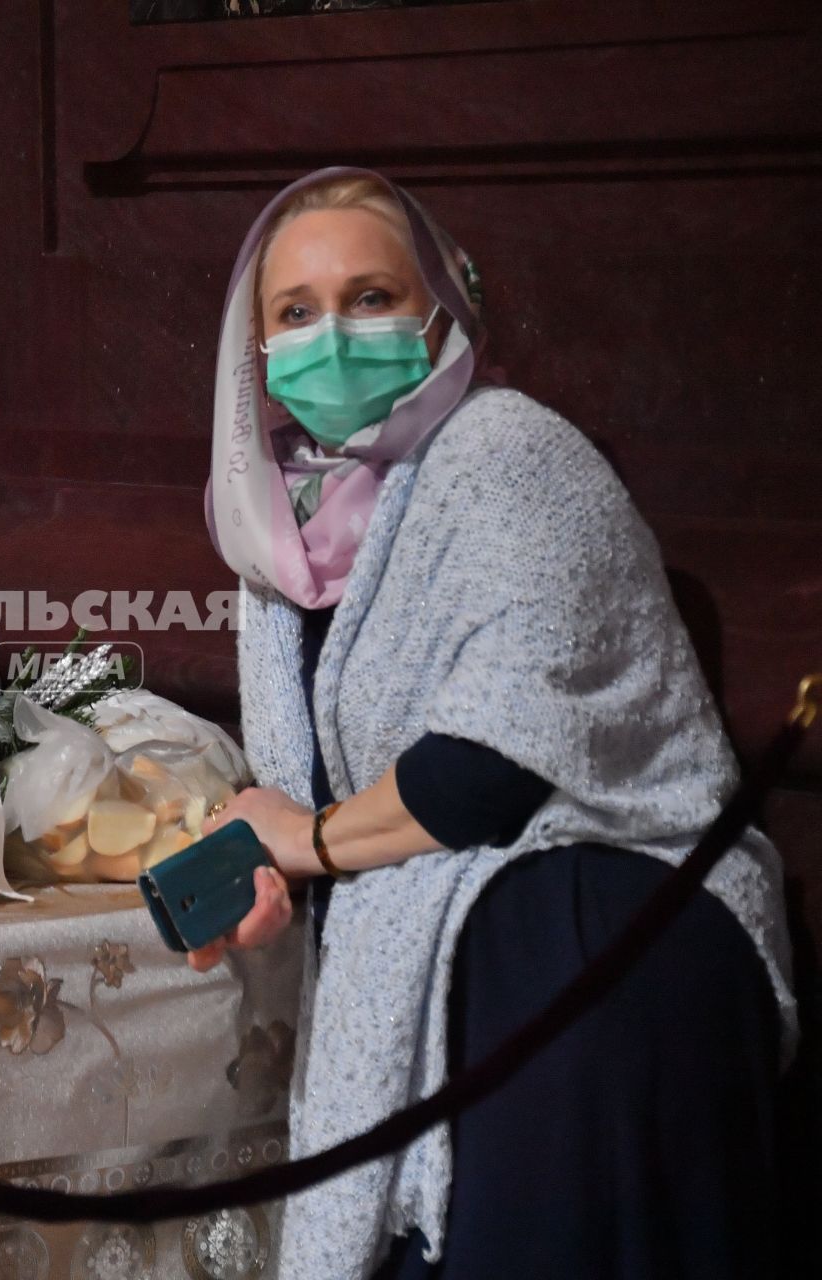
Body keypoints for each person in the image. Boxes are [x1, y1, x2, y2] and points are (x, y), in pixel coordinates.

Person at [193, 169, 795, 1278]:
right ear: (258, 352)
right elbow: (307, 791)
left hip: (592, 930)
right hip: (442, 930)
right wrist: (276, 876)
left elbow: (486, 775)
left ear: (440, 312)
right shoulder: (279, 539)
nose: (333, 332)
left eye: (371, 296)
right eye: (294, 312)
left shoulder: (512, 452)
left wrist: (308, 841)